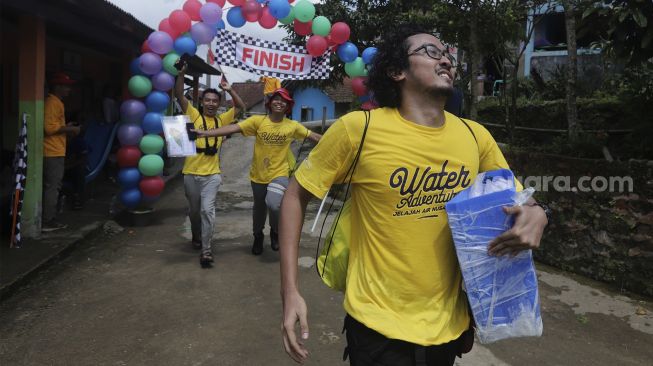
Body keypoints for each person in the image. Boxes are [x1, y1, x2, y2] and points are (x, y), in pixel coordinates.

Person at [279, 24, 549, 365]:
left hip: (449, 328)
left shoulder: (474, 135)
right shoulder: (359, 129)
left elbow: (522, 199)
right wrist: (290, 293)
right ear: (396, 71)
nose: (446, 61)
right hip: (377, 325)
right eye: (431, 52)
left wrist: (539, 213)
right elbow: (295, 194)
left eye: (447, 54)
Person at [194, 88, 321, 256]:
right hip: (258, 175)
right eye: (276, 99)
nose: (279, 102)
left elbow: (314, 137)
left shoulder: (292, 126)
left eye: (283, 101)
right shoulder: (257, 121)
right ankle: (258, 236)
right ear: (269, 103)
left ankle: (275, 231)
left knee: (274, 205)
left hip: (280, 173)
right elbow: (232, 129)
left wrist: (342, 141)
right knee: (259, 209)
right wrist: (205, 133)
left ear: (288, 106)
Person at [174, 63, 246, 266]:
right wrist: (181, 75)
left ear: (219, 103)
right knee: (194, 212)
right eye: (208, 100)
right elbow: (180, 94)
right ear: (202, 102)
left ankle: (206, 251)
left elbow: (241, 107)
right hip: (190, 173)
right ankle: (196, 235)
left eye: (215, 100)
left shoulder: (222, 120)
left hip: (212, 175)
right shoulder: (194, 115)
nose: (212, 103)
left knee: (207, 210)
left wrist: (229, 89)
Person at [42, 72, 81, 232]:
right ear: (57, 87)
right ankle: (47, 221)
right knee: (53, 186)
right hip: (52, 151)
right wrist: (71, 129)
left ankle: (48, 219)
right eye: (66, 86)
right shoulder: (53, 102)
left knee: (51, 186)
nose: (69, 90)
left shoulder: (56, 102)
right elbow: (49, 128)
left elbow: (54, 125)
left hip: (54, 149)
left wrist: (67, 126)